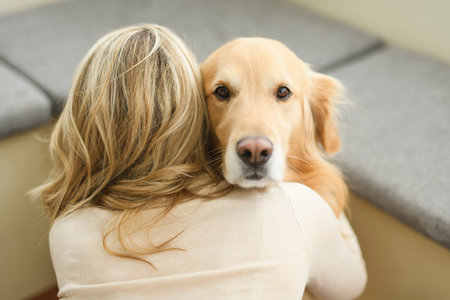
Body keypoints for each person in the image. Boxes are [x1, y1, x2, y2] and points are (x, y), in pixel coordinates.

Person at [34, 24, 367, 299]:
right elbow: (352, 286)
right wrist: (322, 207)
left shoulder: (65, 233)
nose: (254, 143)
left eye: (282, 93)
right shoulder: (296, 211)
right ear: (191, 118)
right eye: (222, 93)